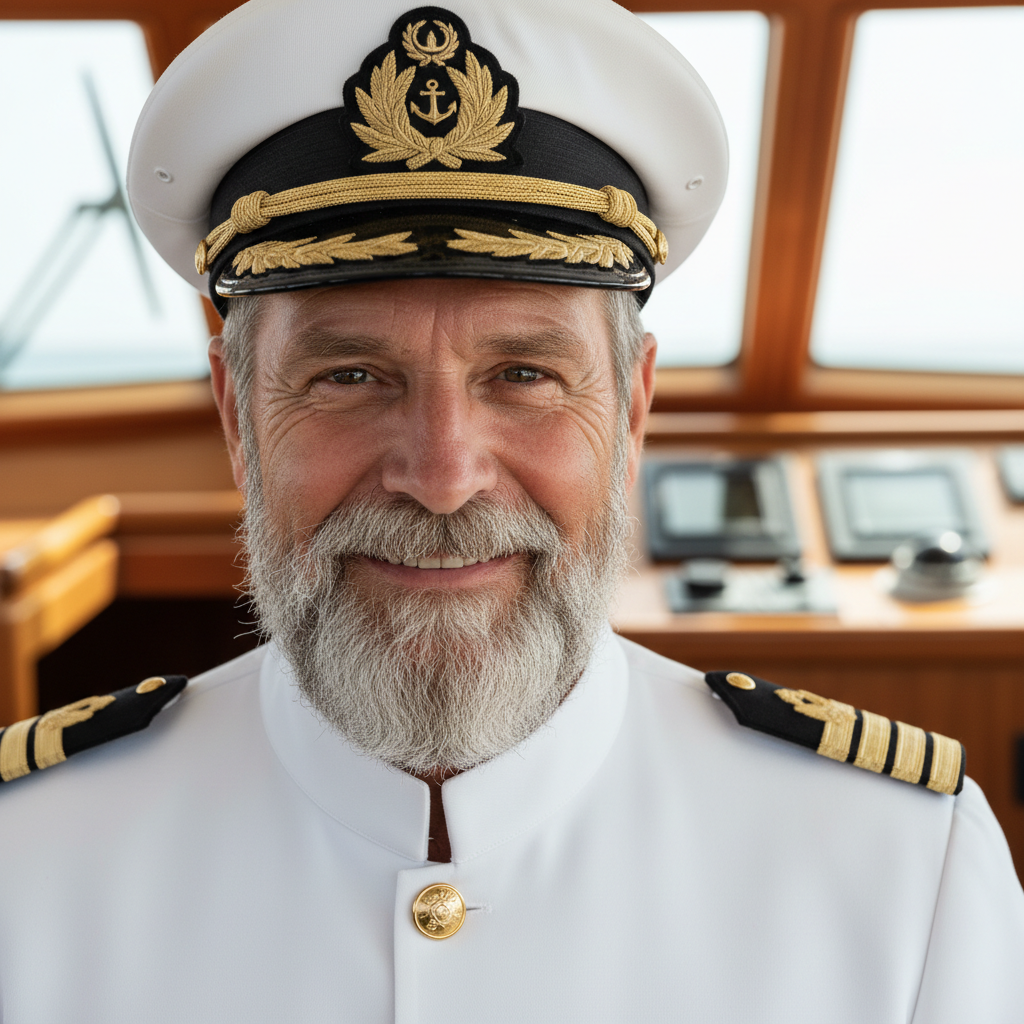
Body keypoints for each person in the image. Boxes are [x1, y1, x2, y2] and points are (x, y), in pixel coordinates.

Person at [0, 0, 1022, 1020]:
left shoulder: (904, 870)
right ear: (237, 414)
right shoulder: (28, 860)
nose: (443, 476)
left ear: (632, 410)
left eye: (524, 374)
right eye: (349, 376)